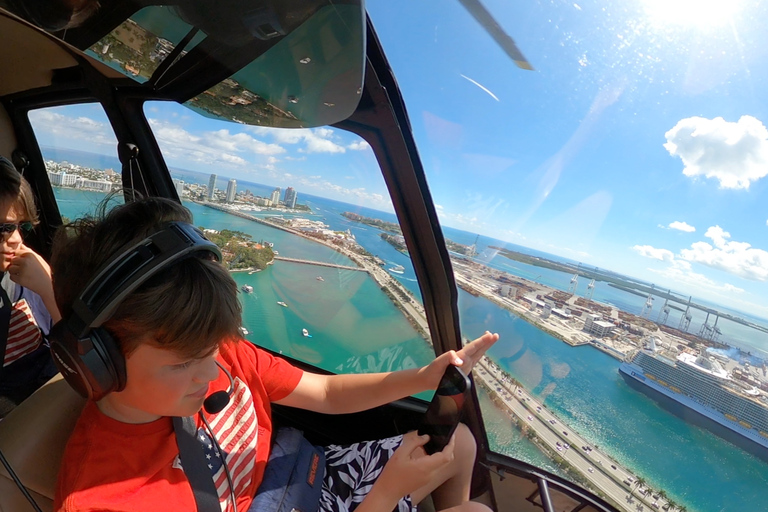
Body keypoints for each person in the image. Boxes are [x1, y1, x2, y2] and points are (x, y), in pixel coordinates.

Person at [50, 196, 499, 512]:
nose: (211, 374)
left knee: (459, 443)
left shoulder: (217, 350)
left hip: (297, 478)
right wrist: (385, 496)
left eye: (211, 350)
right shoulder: (106, 501)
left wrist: (423, 376)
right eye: (183, 363)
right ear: (97, 362)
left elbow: (324, 393)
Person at [0, 155, 60, 417]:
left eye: (21, 226)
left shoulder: (25, 275)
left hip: (54, 391)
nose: (17, 239)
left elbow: (76, 347)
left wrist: (49, 288)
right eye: (3, 228)